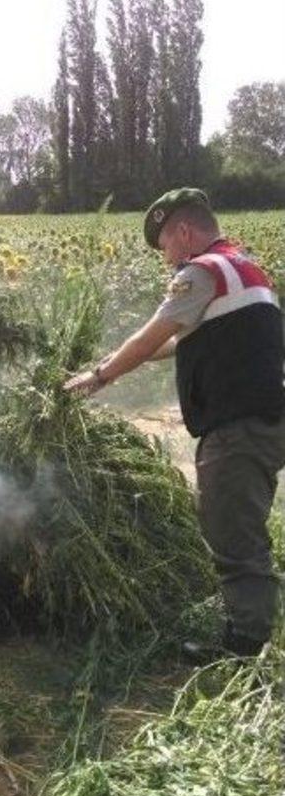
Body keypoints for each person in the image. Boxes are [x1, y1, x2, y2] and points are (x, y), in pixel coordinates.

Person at [64, 187, 285, 661]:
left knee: (231, 530)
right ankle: (253, 623)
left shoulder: (200, 272)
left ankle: (245, 649)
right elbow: (179, 342)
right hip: (266, 417)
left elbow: (151, 336)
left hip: (237, 425)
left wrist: (98, 377)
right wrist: (117, 361)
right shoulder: (242, 267)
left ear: (184, 232)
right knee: (242, 522)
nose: (165, 259)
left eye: (164, 244)